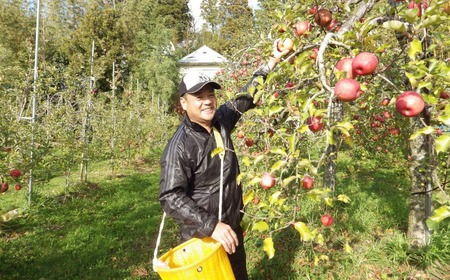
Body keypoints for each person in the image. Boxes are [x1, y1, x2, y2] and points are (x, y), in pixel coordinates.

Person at [159, 41, 288, 279]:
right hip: (203, 238)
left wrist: (272, 61)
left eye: (210, 94)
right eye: (198, 96)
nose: (207, 101)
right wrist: (211, 226)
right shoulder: (180, 146)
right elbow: (170, 197)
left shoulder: (221, 121)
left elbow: (247, 96)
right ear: (183, 103)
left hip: (230, 231)